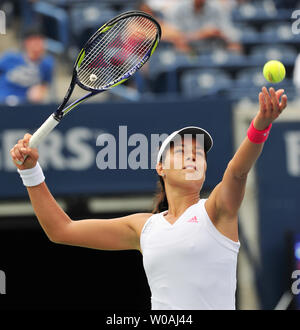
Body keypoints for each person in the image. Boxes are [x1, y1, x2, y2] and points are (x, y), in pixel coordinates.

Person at [10, 86, 287, 310]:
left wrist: (260, 126)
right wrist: (30, 171)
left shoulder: (216, 210)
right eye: (181, 150)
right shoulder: (144, 227)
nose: (193, 155)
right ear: (161, 168)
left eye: (199, 153)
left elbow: (237, 172)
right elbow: (61, 230)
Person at [0, 27, 54, 105]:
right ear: (27, 42)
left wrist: (40, 91)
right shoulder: (10, 58)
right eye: (36, 41)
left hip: (26, 106)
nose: (39, 44)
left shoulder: (47, 64)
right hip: (3, 103)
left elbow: (43, 86)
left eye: (41, 41)